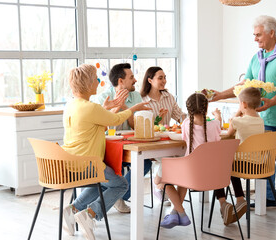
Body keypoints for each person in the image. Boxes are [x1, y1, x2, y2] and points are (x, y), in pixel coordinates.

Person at [212, 15, 276, 218]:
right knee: (265, 158)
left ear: (272, 33)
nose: (255, 39)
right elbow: (245, 85)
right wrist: (220, 95)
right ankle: (269, 198)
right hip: (265, 118)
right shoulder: (258, 58)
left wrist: (272, 101)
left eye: (258, 34)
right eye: (254, 35)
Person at [61, 64, 151, 240]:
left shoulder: (71, 105)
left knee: (106, 181)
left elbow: (98, 123)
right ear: (88, 84)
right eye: (95, 78)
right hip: (87, 165)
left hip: (71, 162)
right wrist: (134, 108)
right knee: (120, 184)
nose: (98, 81)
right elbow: (116, 119)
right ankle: (91, 214)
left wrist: (106, 107)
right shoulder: (90, 108)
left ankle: (74, 209)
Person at [91, 63, 152, 213]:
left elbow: (134, 125)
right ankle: (111, 197)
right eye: (131, 77)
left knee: (145, 163)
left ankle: (120, 197)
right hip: (107, 148)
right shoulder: (104, 97)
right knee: (110, 169)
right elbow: (106, 124)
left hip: (128, 145)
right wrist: (118, 105)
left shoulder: (135, 95)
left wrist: (127, 108)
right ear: (120, 81)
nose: (136, 80)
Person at [160, 93, 221, 228]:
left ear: (189, 110)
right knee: (182, 179)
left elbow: (184, 137)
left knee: (160, 181)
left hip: (193, 175)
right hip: (213, 176)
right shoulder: (215, 124)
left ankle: (181, 213)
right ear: (206, 108)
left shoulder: (187, 124)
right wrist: (218, 116)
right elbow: (217, 128)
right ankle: (175, 213)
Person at [212, 87, 264, 226]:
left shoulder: (238, 121)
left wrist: (234, 114)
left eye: (239, 103)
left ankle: (223, 203)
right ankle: (239, 199)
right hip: (259, 165)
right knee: (230, 164)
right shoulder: (260, 121)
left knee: (219, 167)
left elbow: (227, 133)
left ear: (244, 105)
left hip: (243, 165)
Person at [140, 66, 187, 204]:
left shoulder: (168, 97)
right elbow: (144, 126)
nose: (164, 81)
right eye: (160, 78)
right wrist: (158, 119)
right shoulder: (143, 100)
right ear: (150, 80)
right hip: (151, 142)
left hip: (168, 140)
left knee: (183, 156)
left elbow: (180, 116)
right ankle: (161, 186)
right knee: (170, 159)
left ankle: (159, 184)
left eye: (165, 77)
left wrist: (194, 117)